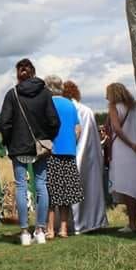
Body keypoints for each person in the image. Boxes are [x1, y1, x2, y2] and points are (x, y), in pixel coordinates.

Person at [0, 58, 60, 245]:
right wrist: (48, 138)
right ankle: (40, 230)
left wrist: (9, 142)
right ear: (33, 71)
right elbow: (54, 121)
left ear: (18, 73)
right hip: (40, 146)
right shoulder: (45, 93)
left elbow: (4, 123)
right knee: (42, 184)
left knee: (21, 186)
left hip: (18, 146)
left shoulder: (13, 94)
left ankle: (25, 231)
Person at [64, 80, 108, 233]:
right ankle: (92, 221)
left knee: (67, 193)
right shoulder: (87, 111)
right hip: (88, 157)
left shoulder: (64, 110)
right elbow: (93, 138)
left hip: (68, 153)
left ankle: (70, 224)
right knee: (90, 191)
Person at [106, 82, 136, 232]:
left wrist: (131, 144)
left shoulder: (114, 107)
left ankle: (132, 224)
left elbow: (116, 130)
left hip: (123, 150)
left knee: (128, 190)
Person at [43, 76, 84, 239]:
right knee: (66, 193)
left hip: (51, 152)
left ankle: (50, 229)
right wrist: (72, 143)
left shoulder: (47, 104)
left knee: (51, 192)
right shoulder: (70, 105)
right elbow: (78, 129)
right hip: (69, 151)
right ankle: (64, 229)